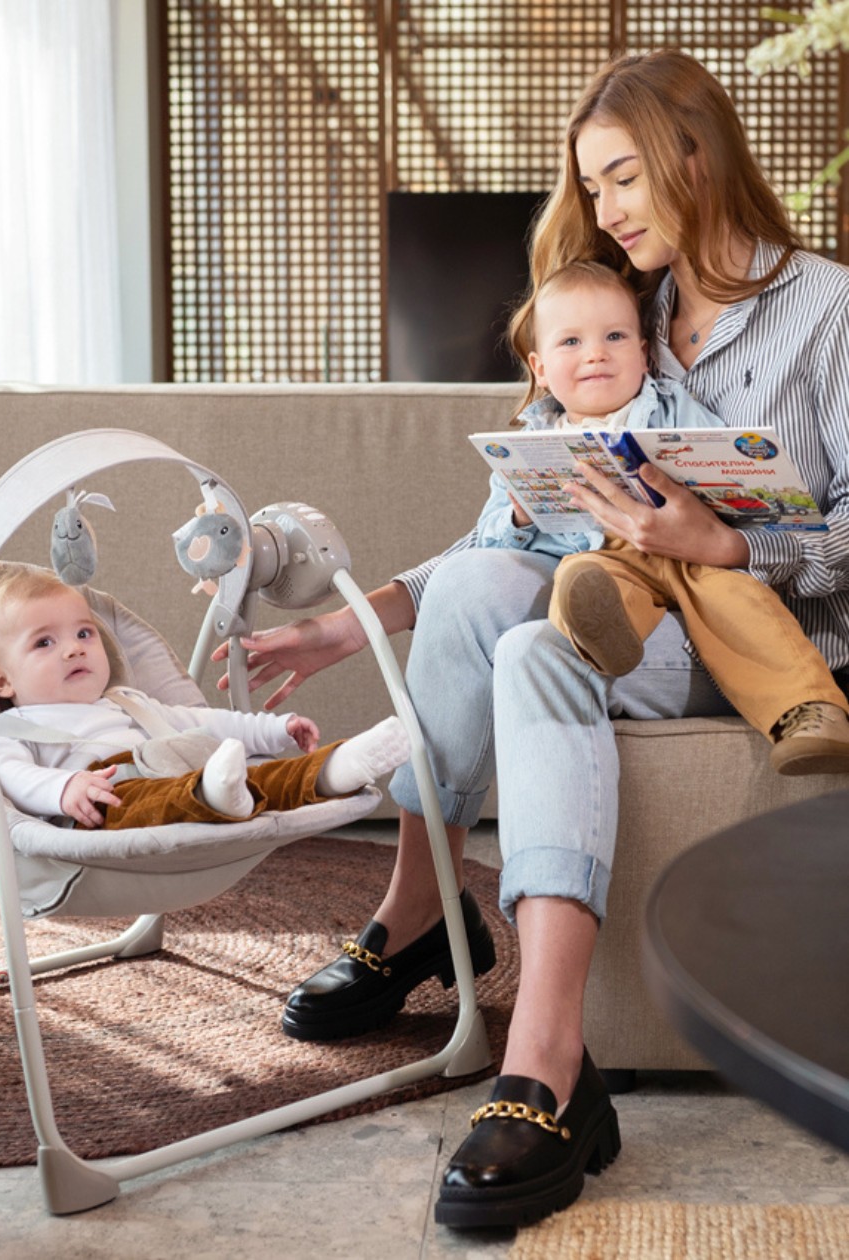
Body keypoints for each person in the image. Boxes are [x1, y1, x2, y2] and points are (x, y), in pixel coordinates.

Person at [211, 49, 849, 1230]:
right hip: (602, 605)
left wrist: (725, 544)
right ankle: (420, 913)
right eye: (592, 186)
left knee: (534, 649)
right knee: (484, 590)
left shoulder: (830, 311)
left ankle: (547, 1063)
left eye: (624, 178)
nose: (606, 210)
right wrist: (344, 625)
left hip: (748, 636)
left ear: (696, 157)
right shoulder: (619, 313)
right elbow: (501, 529)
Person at [478, 258, 849, 775]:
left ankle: (809, 710)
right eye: (571, 342)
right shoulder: (529, 445)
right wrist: (519, 516)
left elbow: (723, 461)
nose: (595, 354)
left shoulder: (671, 407)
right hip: (610, 559)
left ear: (644, 354)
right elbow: (488, 547)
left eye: (615, 336)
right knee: (582, 578)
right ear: (540, 369)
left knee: (737, 596)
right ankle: (604, 637)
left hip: (691, 555)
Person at [0, 564, 410, 829]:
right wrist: (63, 788)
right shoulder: (10, 729)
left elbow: (207, 723)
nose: (74, 648)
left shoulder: (126, 701)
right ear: (1, 682)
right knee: (155, 796)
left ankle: (332, 769)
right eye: (44, 643)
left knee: (258, 772)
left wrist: (276, 729)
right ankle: (214, 793)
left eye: (84, 633)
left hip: (182, 775)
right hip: (106, 806)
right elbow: (7, 776)